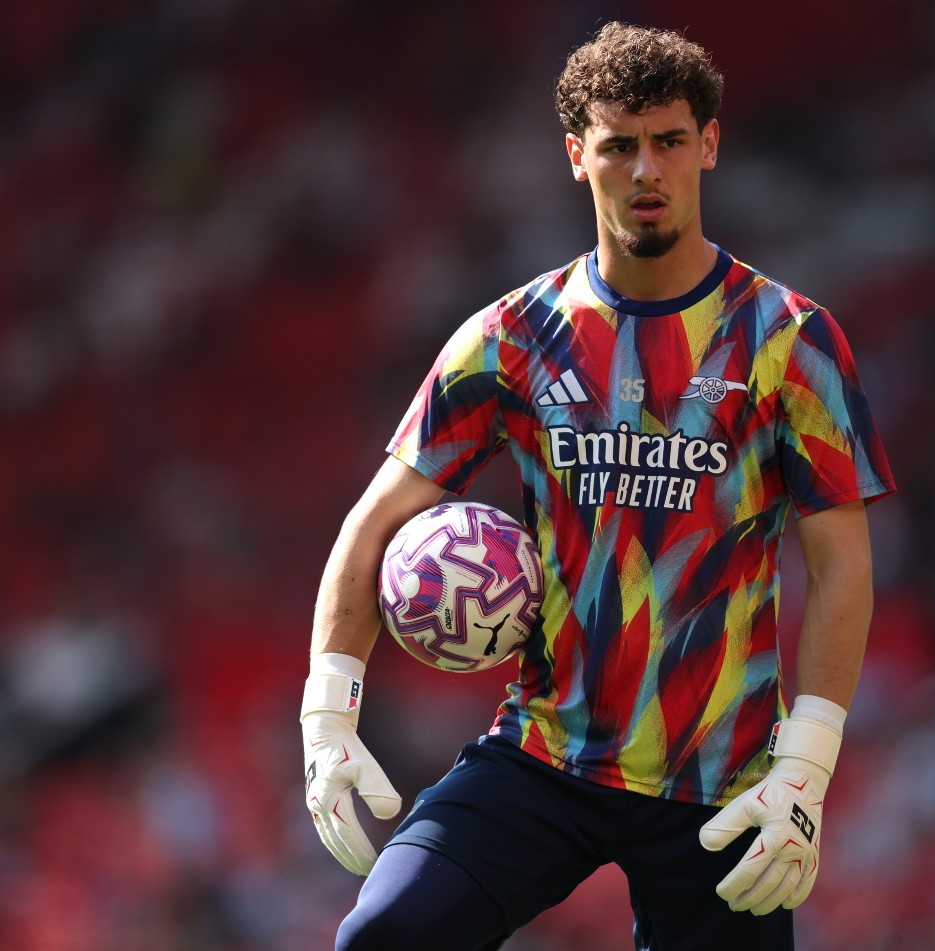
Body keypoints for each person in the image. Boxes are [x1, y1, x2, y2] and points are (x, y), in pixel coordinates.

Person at [301, 20, 895, 951]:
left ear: (709, 142)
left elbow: (842, 562)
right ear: (579, 156)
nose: (646, 169)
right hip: (546, 754)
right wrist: (327, 712)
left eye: (668, 140)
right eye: (620, 145)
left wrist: (807, 766)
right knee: (381, 937)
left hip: (725, 783)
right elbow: (376, 520)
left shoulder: (790, 338)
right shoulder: (513, 334)